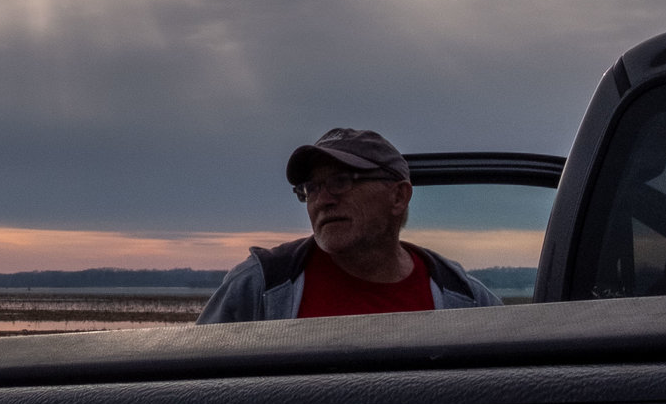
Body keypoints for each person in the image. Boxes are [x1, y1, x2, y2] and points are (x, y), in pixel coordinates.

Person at [199, 127, 502, 321]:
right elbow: (192, 395)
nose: (322, 200)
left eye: (341, 181)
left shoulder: (463, 299)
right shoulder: (261, 285)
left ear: (398, 196)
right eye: (311, 188)